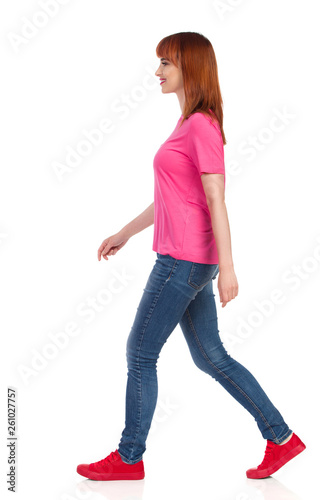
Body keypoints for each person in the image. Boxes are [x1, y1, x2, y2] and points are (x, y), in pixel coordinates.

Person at [76, 31, 306, 481]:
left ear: (190, 68)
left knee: (140, 354)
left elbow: (217, 196)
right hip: (191, 259)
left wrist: (230, 268)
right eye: (160, 63)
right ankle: (281, 438)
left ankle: (129, 457)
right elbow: (172, 199)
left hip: (182, 262)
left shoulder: (200, 125)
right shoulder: (187, 124)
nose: (157, 72)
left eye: (166, 63)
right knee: (210, 356)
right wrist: (125, 232)